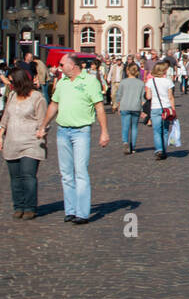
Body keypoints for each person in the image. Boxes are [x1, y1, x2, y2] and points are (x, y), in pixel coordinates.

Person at [37, 53, 109, 223]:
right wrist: (43, 125)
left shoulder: (90, 81)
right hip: (62, 130)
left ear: (72, 65)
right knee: (66, 173)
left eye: (62, 64)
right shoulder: (62, 82)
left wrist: (104, 131)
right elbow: (54, 104)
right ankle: (70, 210)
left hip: (81, 131)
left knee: (81, 171)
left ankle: (82, 213)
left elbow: (99, 107)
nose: (59, 67)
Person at [0, 67, 48, 218]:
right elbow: (6, 117)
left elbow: (43, 121)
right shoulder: (13, 95)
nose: (10, 84)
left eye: (12, 81)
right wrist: (1, 134)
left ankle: (29, 207)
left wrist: (42, 131)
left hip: (31, 142)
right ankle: (18, 206)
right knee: (15, 178)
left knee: (28, 175)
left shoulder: (37, 97)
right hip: (12, 142)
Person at [145, 59, 176, 160]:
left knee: (157, 131)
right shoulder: (168, 81)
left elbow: (148, 96)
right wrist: (173, 109)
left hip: (155, 107)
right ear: (163, 71)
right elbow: (171, 97)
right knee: (165, 130)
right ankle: (164, 150)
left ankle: (159, 149)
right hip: (166, 107)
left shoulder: (150, 81)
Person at [115, 63, 146, 154]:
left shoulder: (123, 82)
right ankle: (133, 146)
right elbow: (143, 98)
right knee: (134, 127)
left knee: (125, 126)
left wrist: (118, 106)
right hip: (136, 107)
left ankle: (125, 142)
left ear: (127, 71)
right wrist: (143, 110)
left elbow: (119, 96)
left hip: (125, 106)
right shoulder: (140, 83)